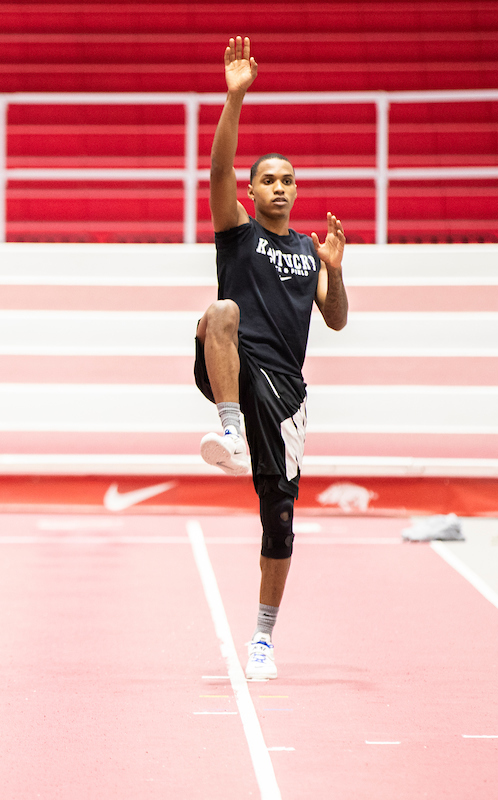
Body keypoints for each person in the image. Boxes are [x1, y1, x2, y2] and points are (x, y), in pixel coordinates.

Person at [194, 36, 349, 680]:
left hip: (287, 393)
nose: (279, 187)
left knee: (280, 520)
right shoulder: (238, 232)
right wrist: (235, 98)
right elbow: (218, 172)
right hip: (233, 365)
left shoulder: (311, 253)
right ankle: (229, 429)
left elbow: (336, 320)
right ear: (253, 192)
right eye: (268, 179)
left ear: (295, 189)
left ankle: (262, 639)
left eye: (288, 180)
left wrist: (335, 272)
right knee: (219, 313)